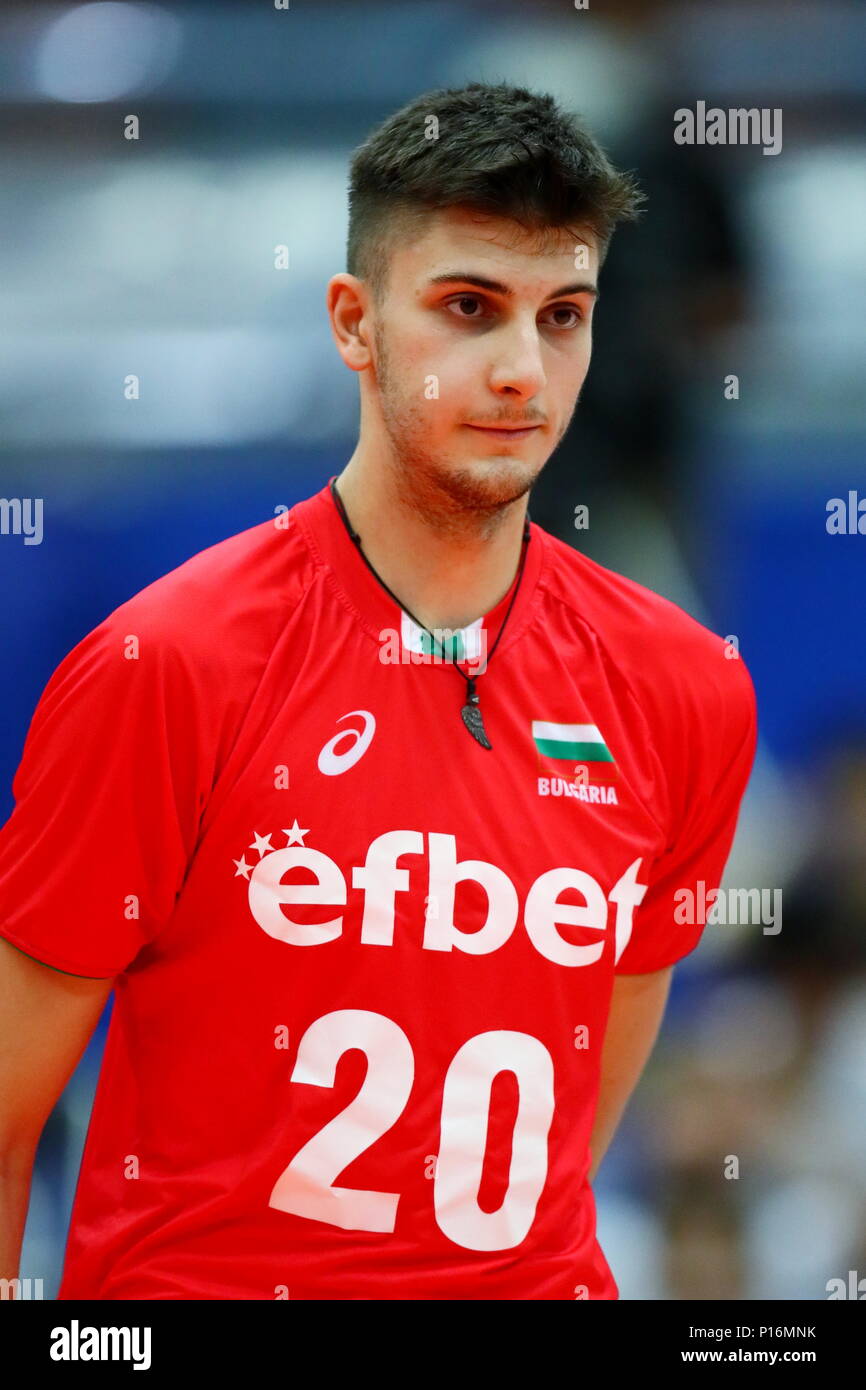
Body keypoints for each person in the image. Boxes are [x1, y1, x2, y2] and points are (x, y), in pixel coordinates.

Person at [0, 82, 756, 1301]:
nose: (522, 368)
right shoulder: (171, 664)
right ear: (352, 322)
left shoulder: (681, 686)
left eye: (563, 316)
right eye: (469, 308)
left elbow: (572, 1125)